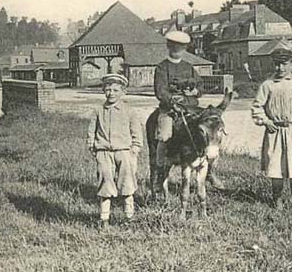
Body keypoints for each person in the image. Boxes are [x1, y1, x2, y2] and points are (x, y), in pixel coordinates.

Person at [153, 31, 225, 190]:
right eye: (174, 46)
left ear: (185, 48)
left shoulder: (189, 67)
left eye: (181, 47)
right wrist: (173, 101)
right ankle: (159, 172)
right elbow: (160, 92)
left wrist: (195, 92)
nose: (177, 49)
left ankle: (210, 170)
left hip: (192, 108)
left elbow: (200, 86)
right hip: (171, 109)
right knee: (164, 135)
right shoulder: (162, 68)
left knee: (211, 130)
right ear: (168, 46)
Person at [251, 46, 292, 208]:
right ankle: (277, 199)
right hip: (275, 131)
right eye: (276, 64)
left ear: (291, 64)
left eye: (283, 64)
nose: (279, 68)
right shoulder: (268, 85)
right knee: (276, 167)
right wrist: (266, 121)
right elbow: (257, 107)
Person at [86, 73, 143, 227]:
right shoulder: (98, 111)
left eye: (115, 90)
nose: (111, 93)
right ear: (103, 91)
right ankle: (104, 219)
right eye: (108, 90)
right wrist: (93, 147)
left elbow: (137, 133)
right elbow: (91, 131)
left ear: (123, 92)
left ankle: (129, 218)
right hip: (104, 152)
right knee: (105, 183)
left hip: (124, 152)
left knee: (127, 183)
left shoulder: (129, 111)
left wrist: (134, 150)